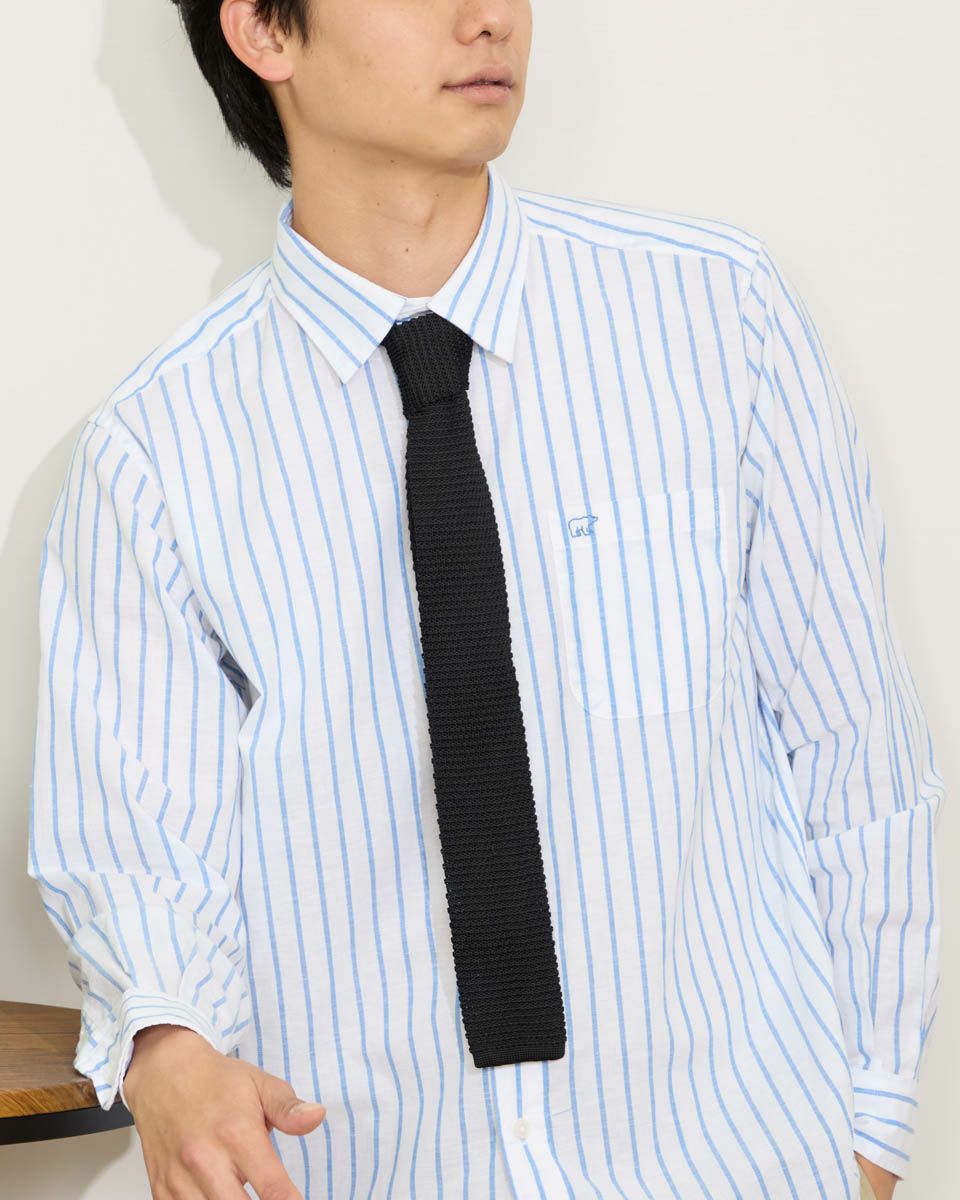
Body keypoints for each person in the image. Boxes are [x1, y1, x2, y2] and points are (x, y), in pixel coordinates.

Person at [28, 1, 944, 1198]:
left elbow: (855, 759)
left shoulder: (719, 322)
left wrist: (869, 1135)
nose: (491, 17)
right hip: (374, 1169)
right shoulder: (158, 456)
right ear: (262, 30)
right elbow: (139, 852)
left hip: (735, 1165)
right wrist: (166, 1042)